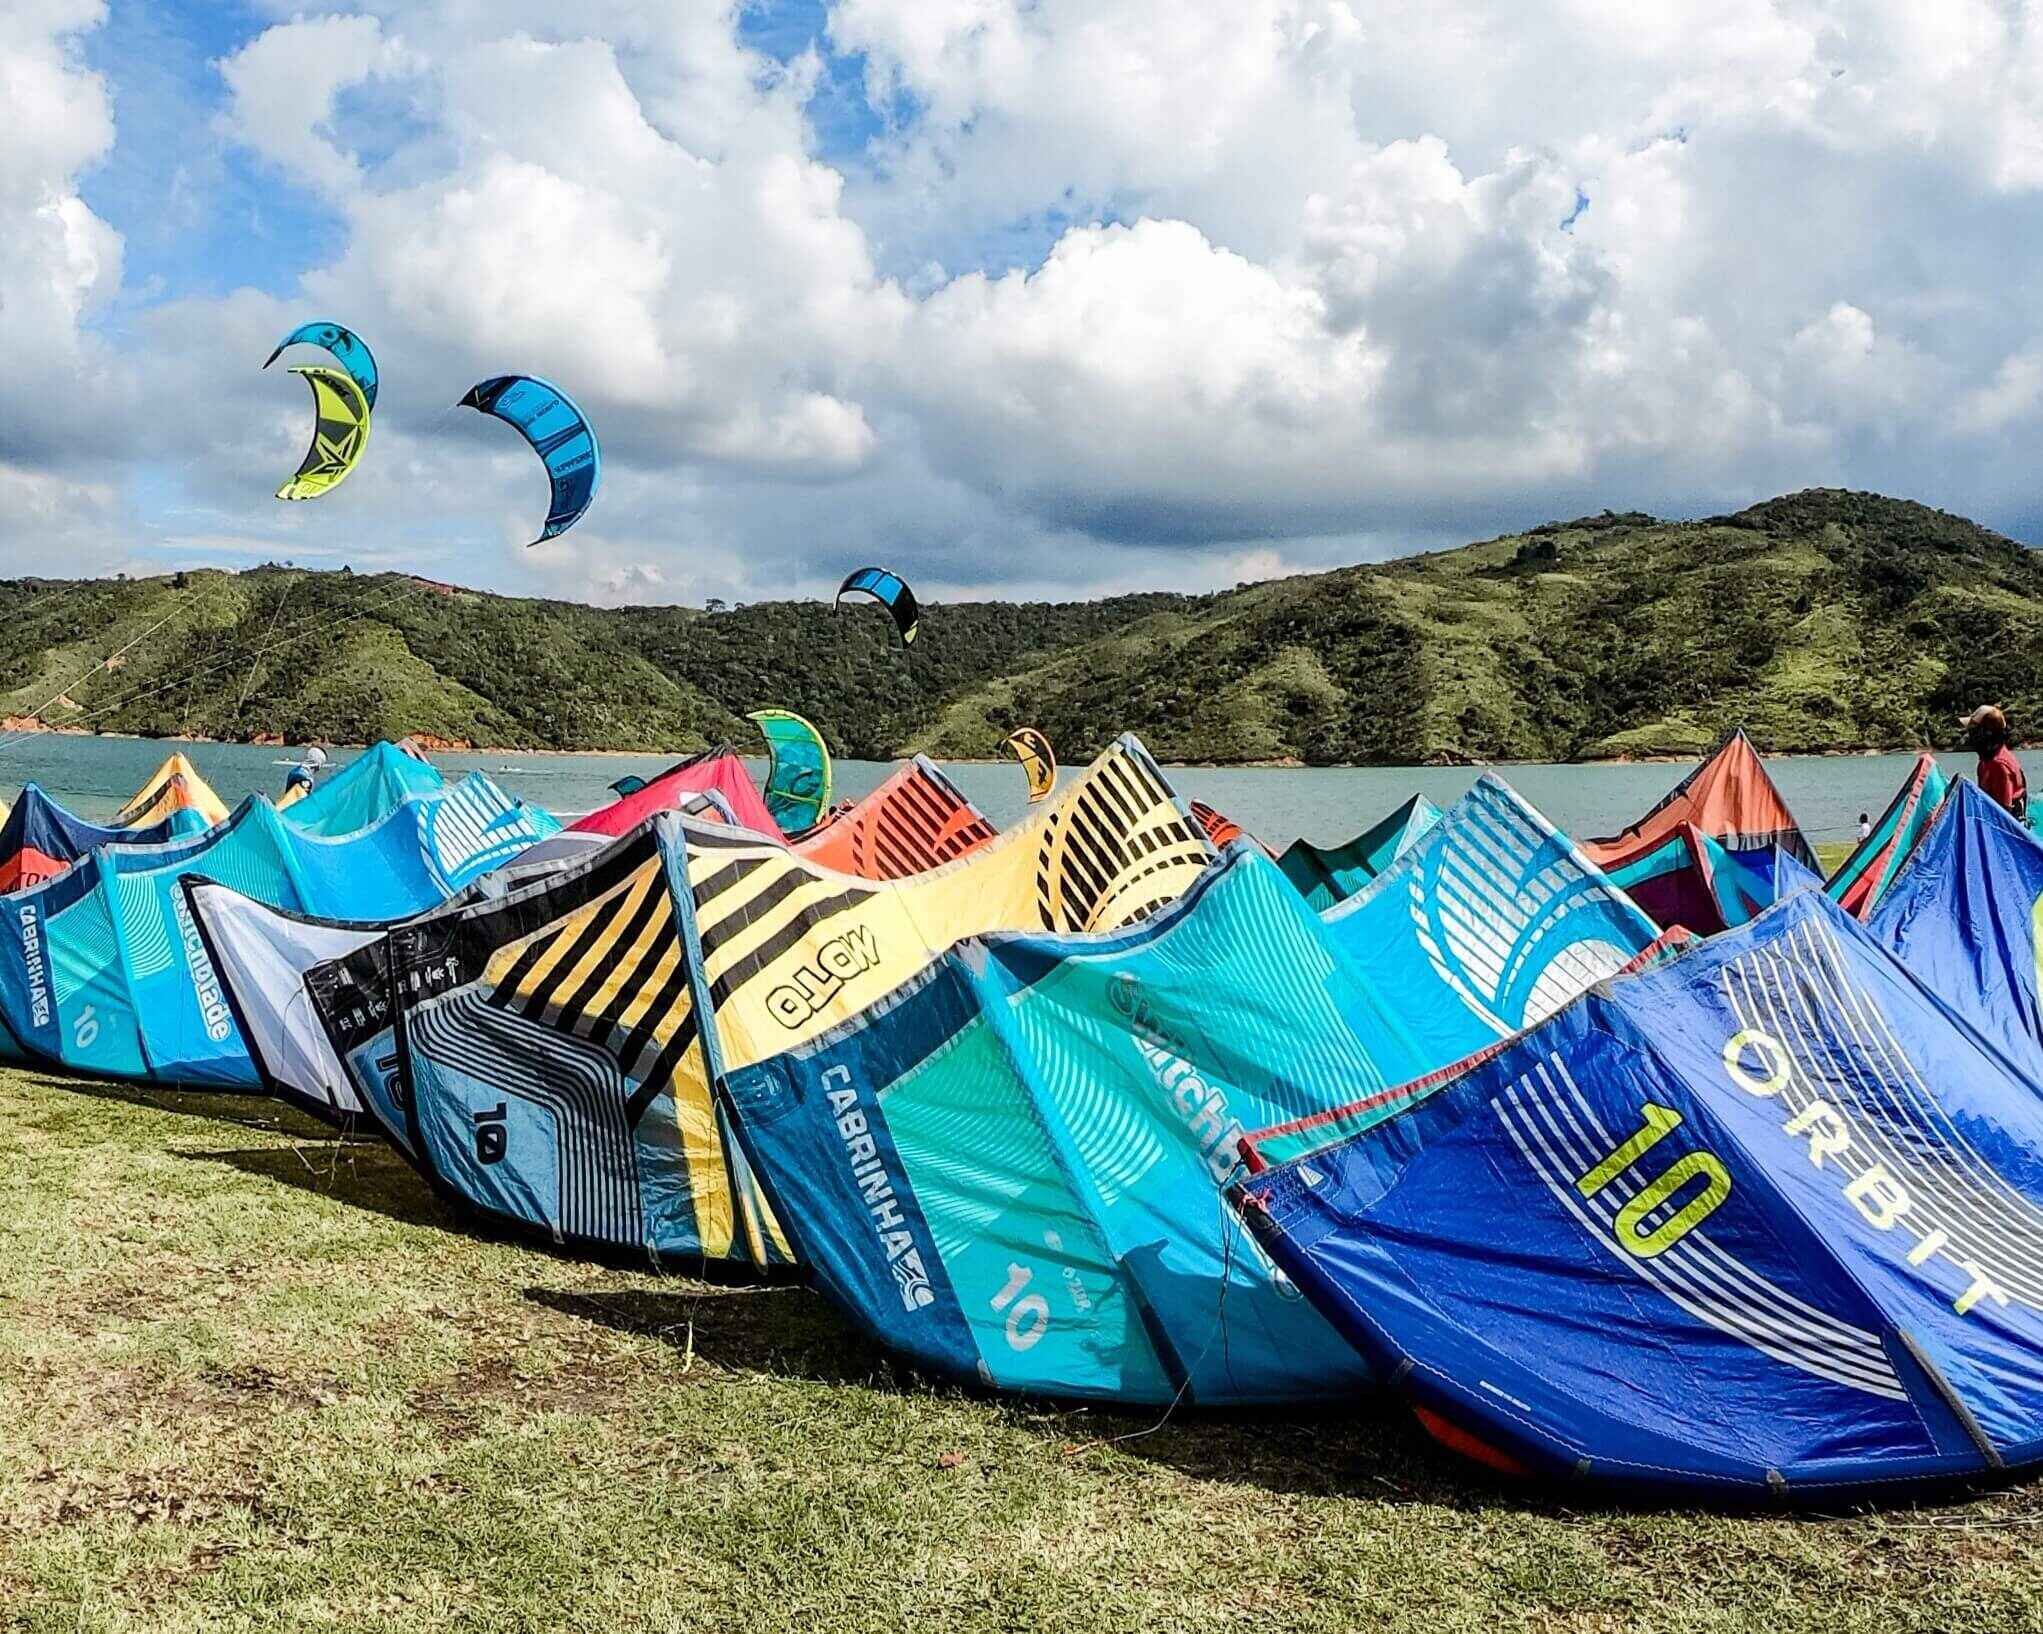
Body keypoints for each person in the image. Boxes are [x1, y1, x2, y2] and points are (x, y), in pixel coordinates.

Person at [1960, 705, 2030, 825]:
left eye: (1973, 730)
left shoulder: (1999, 765)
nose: (1970, 736)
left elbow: (2003, 814)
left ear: (1986, 733)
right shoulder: (1986, 760)